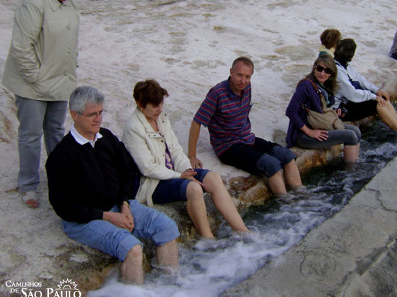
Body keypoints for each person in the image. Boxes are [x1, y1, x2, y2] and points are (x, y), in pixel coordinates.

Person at [46, 86, 179, 285]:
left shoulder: (106, 137)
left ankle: (170, 287)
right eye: (92, 114)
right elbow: (63, 207)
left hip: (118, 204)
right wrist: (107, 216)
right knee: (132, 248)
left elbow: (127, 171)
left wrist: (124, 204)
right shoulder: (61, 157)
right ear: (74, 115)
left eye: (100, 113)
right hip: (83, 219)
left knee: (167, 227)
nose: (98, 119)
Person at [1, 0, 86, 209]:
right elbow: (21, 47)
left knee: (55, 130)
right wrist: (35, 79)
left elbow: (70, 40)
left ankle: (59, 175)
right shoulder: (34, 2)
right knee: (30, 134)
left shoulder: (66, 2)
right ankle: (28, 184)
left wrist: (71, 67)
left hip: (60, 80)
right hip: (33, 83)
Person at [122, 79, 248, 239]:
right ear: (140, 104)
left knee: (214, 178)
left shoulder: (160, 118)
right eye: (155, 106)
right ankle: (208, 239)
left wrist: (187, 170)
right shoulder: (133, 127)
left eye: (161, 104)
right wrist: (180, 176)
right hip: (153, 183)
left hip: (176, 173)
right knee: (193, 189)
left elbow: (175, 149)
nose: (160, 109)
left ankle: (242, 231)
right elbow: (147, 167)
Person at [188, 57, 303, 195]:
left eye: (247, 76)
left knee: (286, 155)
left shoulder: (247, 87)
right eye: (239, 75)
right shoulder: (217, 93)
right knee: (271, 164)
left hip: (247, 138)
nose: (243, 80)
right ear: (231, 72)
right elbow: (197, 121)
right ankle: (287, 204)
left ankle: (300, 195)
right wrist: (192, 156)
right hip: (228, 147)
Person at [334, 39, 397, 136]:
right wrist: (374, 97)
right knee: (377, 104)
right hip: (342, 109)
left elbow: (360, 79)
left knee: (382, 98)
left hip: (350, 102)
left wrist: (377, 91)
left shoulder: (345, 65)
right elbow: (352, 94)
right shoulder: (338, 71)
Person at [286, 54, 361, 163]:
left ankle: (354, 161)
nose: (322, 73)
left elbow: (320, 111)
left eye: (327, 71)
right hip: (303, 135)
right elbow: (290, 111)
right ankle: (350, 171)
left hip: (320, 124)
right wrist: (310, 132)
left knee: (356, 131)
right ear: (314, 68)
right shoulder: (306, 85)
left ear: (331, 74)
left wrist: (335, 113)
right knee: (350, 136)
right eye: (319, 68)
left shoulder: (325, 87)